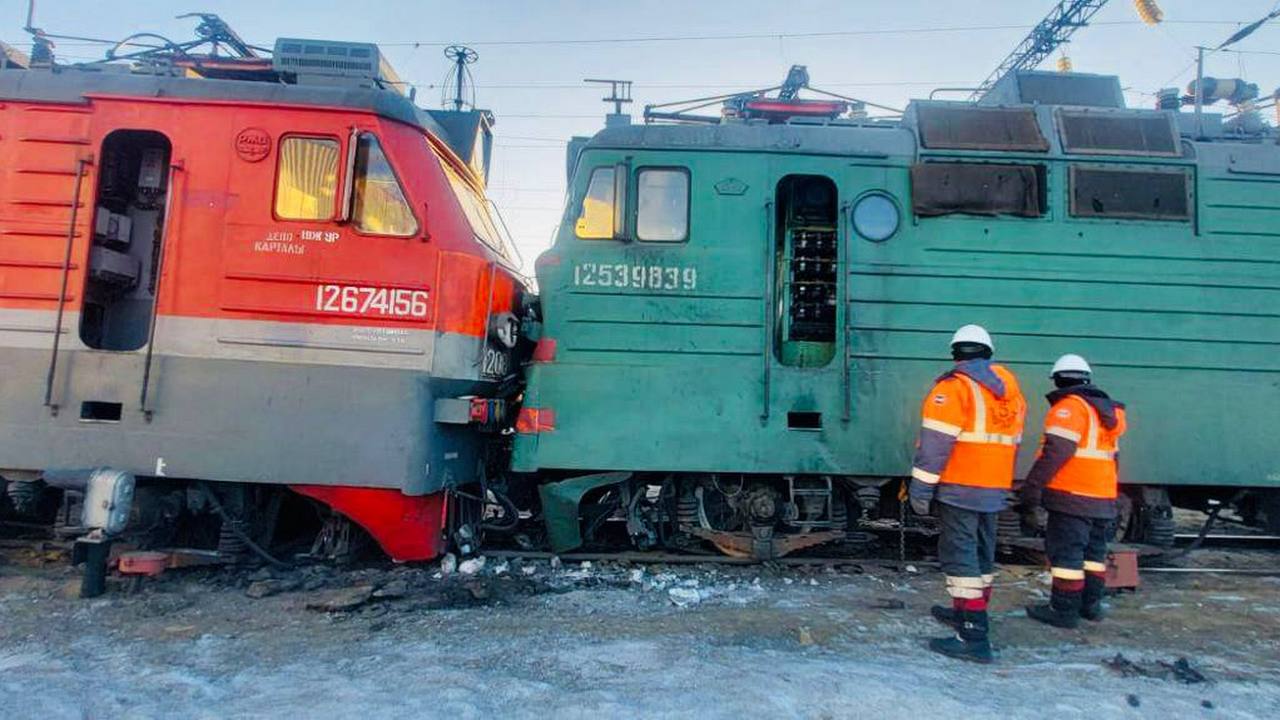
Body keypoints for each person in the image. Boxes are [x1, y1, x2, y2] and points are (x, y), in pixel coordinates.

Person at [910, 324, 1027, 663]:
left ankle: (972, 636)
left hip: (961, 487)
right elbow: (1013, 444)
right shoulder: (1011, 393)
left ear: (956, 354)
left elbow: (934, 446)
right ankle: (966, 610)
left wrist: (921, 489)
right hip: (993, 487)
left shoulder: (953, 389)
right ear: (987, 352)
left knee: (960, 556)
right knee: (981, 553)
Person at [1019, 354, 1127, 628]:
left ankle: (1063, 611)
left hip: (1072, 497)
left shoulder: (1070, 409)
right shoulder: (1108, 414)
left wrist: (1031, 490)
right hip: (1103, 497)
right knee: (1094, 556)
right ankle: (1091, 607)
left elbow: (1055, 453)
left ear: (1058, 380)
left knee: (1067, 555)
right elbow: (1113, 459)